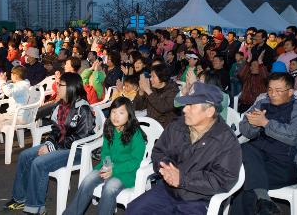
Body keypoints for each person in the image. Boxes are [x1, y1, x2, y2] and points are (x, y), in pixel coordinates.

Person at [125, 82, 242, 215]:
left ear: (209, 111)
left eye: (191, 105)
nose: (185, 109)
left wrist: (183, 179)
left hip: (200, 199)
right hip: (168, 190)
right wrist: (166, 169)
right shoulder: (176, 126)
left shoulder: (225, 140)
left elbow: (223, 179)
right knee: (134, 210)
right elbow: (158, 151)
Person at [3, 72, 95, 215]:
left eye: (60, 84)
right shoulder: (60, 105)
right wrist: (49, 143)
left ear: (71, 87)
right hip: (60, 146)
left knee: (39, 163)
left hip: (77, 150)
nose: (57, 87)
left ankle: (36, 207)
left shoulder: (83, 108)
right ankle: (20, 198)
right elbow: (55, 130)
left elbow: (83, 136)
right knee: (25, 156)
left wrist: (53, 147)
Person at [231, 72, 297, 215]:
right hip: (256, 159)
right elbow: (245, 129)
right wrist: (254, 125)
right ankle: (264, 201)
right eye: (269, 90)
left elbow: (295, 136)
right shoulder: (262, 104)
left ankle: (261, 199)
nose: (272, 94)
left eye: (278, 90)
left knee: (244, 184)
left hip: (286, 165)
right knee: (245, 148)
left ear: (290, 92)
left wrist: (265, 123)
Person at [63, 97, 146, 215]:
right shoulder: (109, 128)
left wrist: (114, 170)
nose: (116, 116)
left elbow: (136, 161)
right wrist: (107, 166)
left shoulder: (135, 132)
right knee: (87, 181)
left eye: (121, 113)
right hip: (108, 167)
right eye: (113, 112)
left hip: (127, 172)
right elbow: (106, 152)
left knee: (109, 187)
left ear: (129, 115)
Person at [133, 63, 179, 128]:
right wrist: (141, 92)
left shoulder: (173, 90)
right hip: (150, 122)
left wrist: (148, 91)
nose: (151, 79)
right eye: (150, 76)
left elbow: (163, 108)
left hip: (165, 127)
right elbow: (139, 107)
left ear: (162, 77)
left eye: (153, 76)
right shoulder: (152, 88)